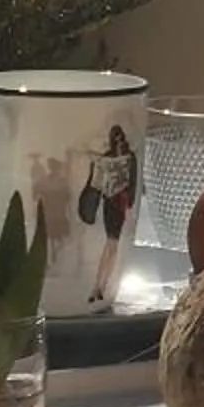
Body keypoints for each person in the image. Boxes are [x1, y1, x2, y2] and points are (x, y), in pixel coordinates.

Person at [77, 124, 139, 307]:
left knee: (113, 245)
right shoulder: (107, 158)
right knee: (110, 244)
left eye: (121, 139)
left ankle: (102, 287)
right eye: (116, 139)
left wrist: (129, 202)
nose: (119, 142)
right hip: (110, 204)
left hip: (120, 204)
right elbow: (96, 182)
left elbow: (133, 182)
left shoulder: (131, 158)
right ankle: (98, 286)